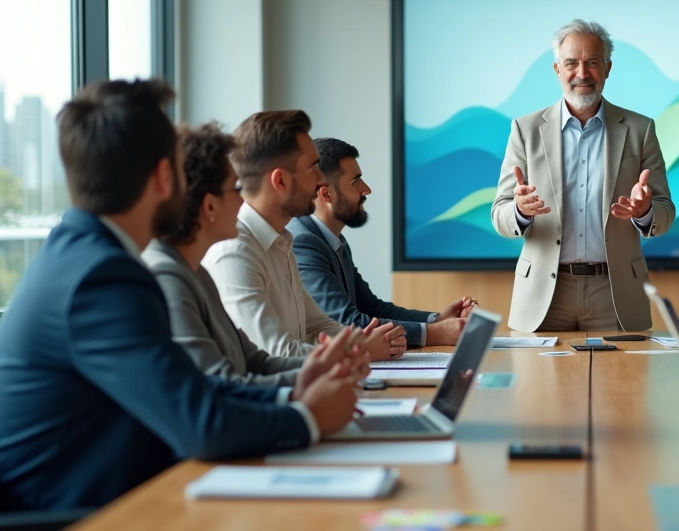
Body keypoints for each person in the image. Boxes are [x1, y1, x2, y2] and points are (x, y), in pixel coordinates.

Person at [0, 80, 363, 511]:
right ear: (164, 177)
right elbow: (200, 423)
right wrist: (308, 416)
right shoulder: (102, 277)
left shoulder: (84, 257)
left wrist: (297, 392)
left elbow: (198, 390)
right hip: (78, 515)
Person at [491, 19, 675, 332]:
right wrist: (520, 211)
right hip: (543, 294)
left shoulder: (640, 129)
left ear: (607, 68)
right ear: (557, 69)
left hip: (615, 291)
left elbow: (665, 212)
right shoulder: (525, 129)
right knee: (534, 368)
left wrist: (645, 212)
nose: (582, 73)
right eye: (571, 63)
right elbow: (499, 215)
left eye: (592, 62)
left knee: (625, 367)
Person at [203, 111, 405, 359]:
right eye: (312, 169)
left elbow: (318, 326)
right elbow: (277, 354)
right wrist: (361, 349)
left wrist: (367, 340)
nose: (321, 181)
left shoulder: (281, 242)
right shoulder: (236, 253)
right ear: (280, 181)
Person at [144, 123, 314, 386]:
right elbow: (219, 386)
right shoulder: (169, 277)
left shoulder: (197, 272)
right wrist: (303, 387)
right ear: (209, 205)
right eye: (236, 188)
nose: (243, 199)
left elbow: (257, 362)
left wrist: (327, 366)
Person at [289, 137, 475, 347]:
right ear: (326, 194)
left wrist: (437, 320)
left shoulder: (334, 240)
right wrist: (433, 334)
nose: (366, 189)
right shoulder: (303, 242)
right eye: (355, 181)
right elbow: (346, 322)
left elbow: (372, 308)